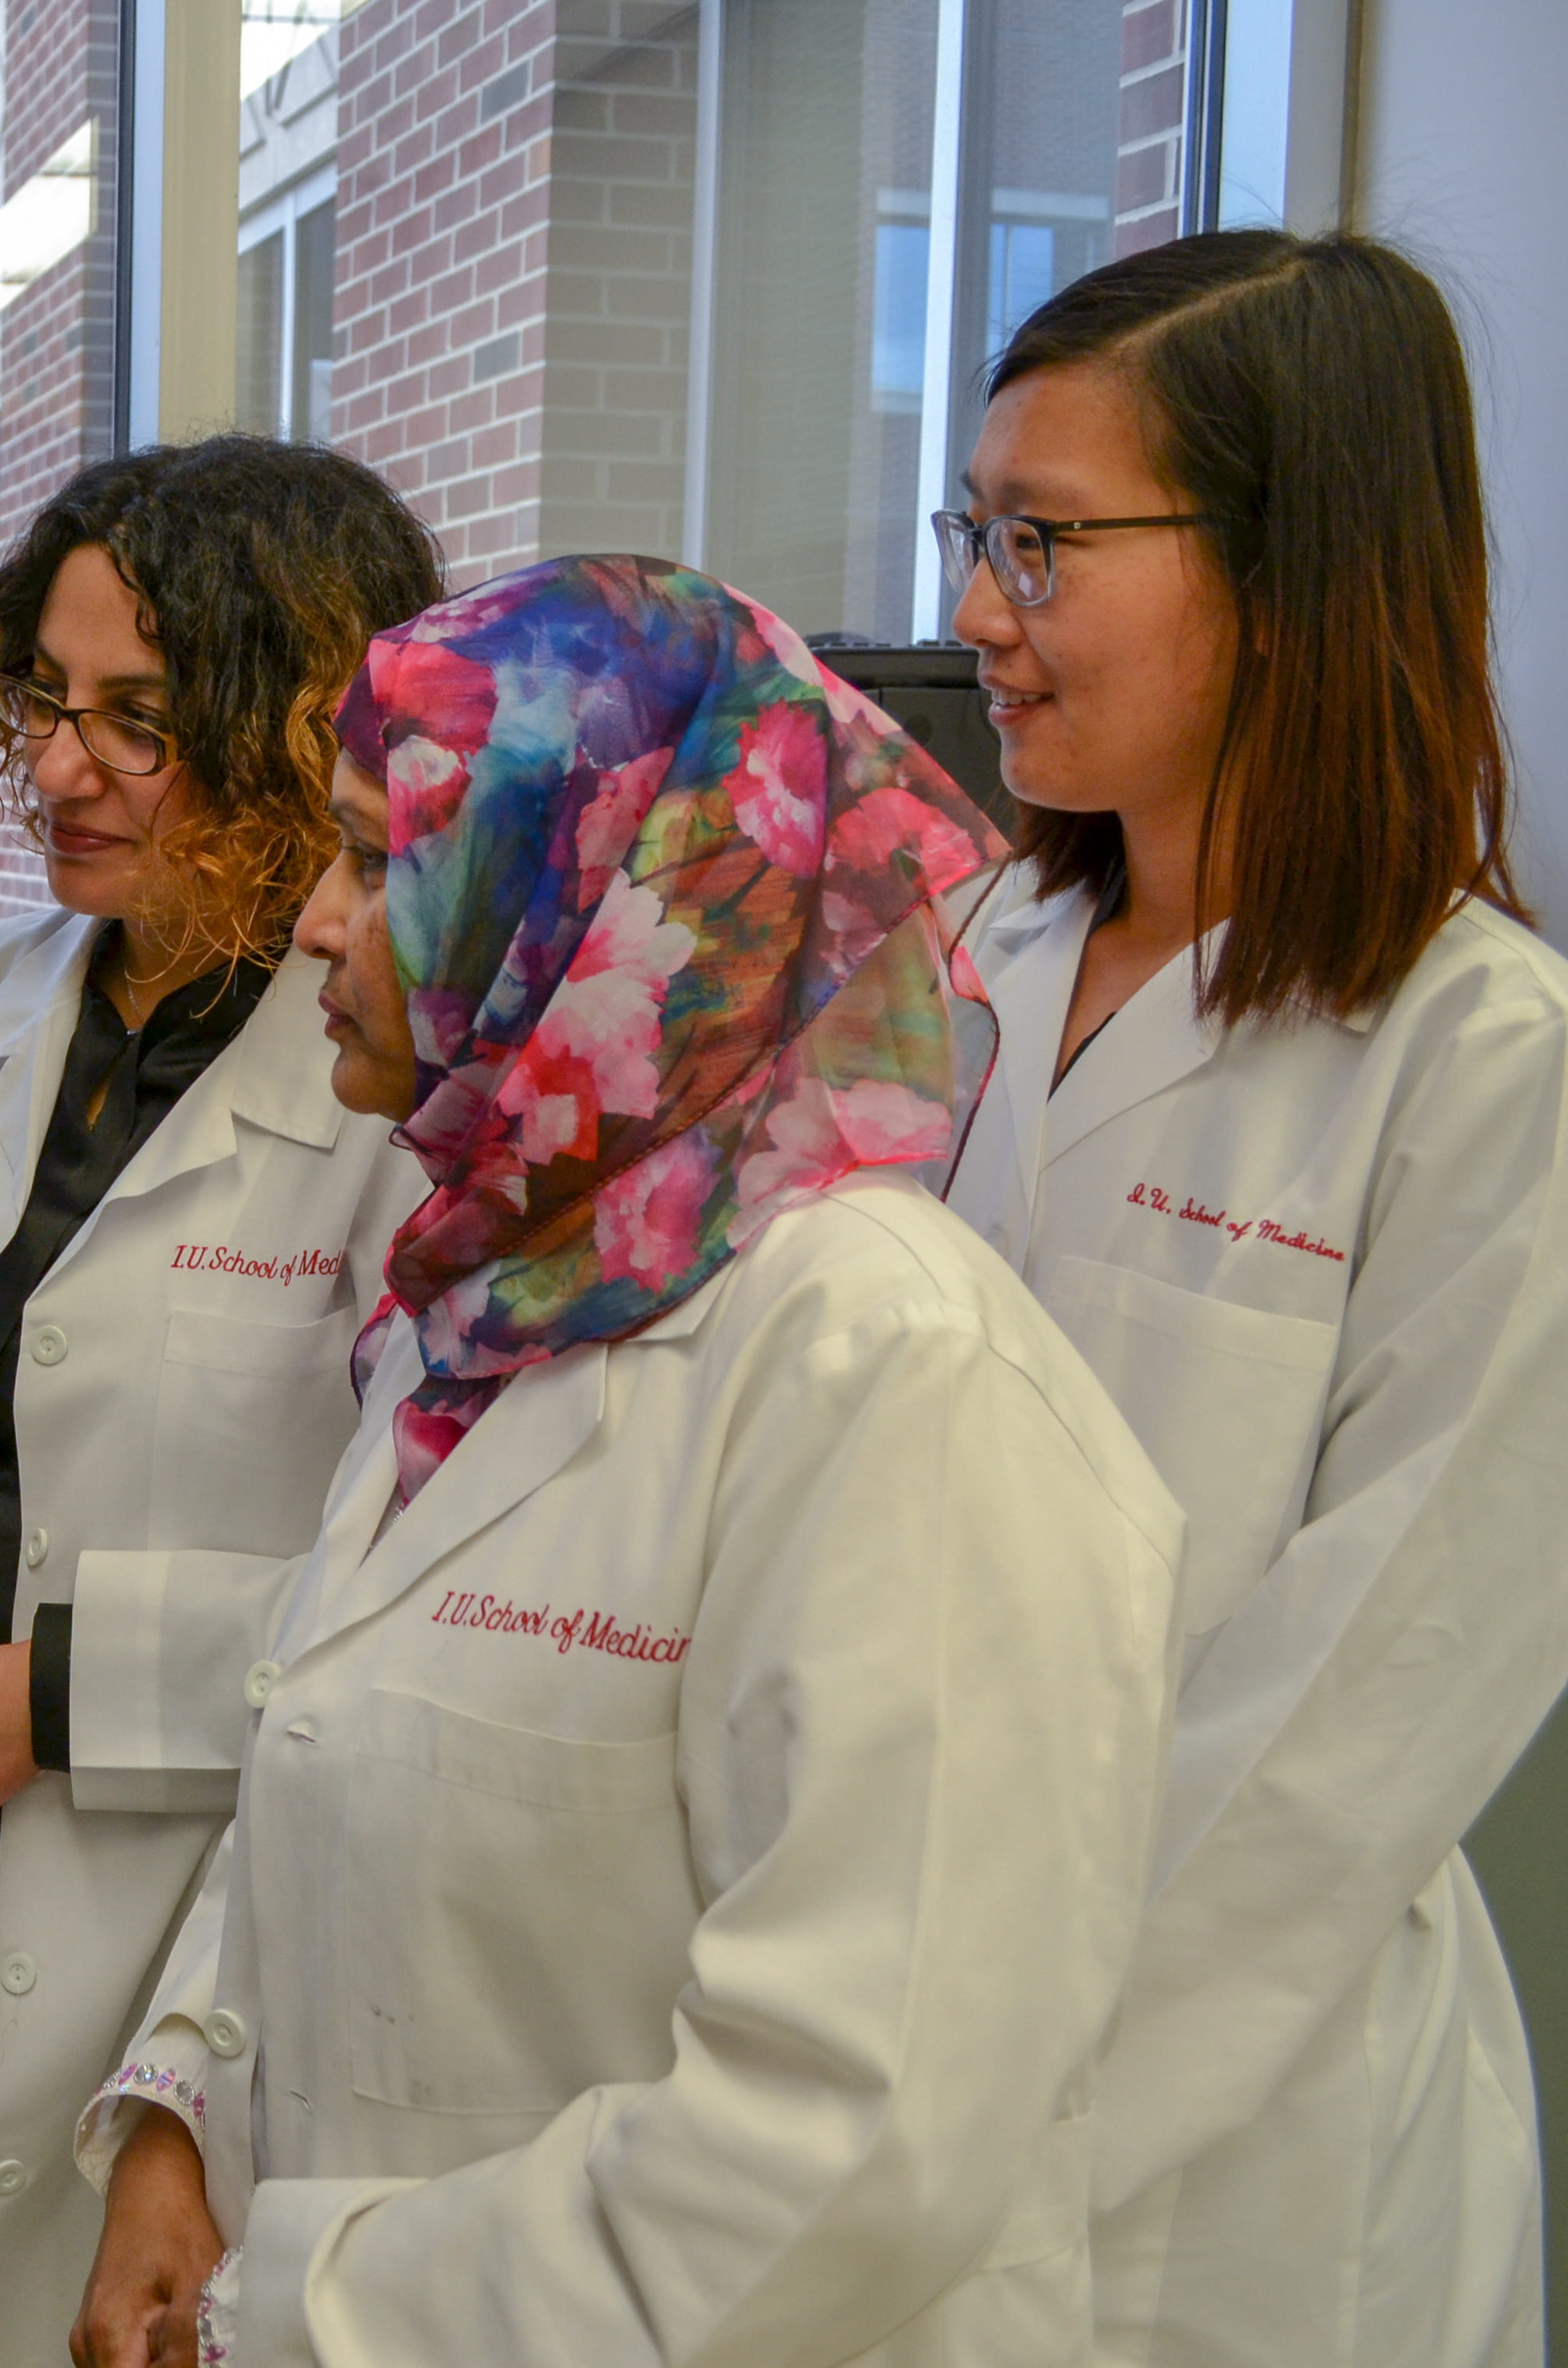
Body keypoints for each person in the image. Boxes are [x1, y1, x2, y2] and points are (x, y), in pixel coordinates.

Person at [67, 556, 1186, 2368]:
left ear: (582, 899)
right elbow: (332, 1754)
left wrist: (305, 2306)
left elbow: (852, 2138)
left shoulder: (883, 1376)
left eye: (380, 860)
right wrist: (183, 2111)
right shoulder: (495, 1304)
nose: (315, 926)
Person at [935, 229, 1568, 2368]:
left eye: (1038, 544)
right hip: (876, 2016)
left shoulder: (1481, 1057)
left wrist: (966, 2092)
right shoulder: (971, 981)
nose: (970, 618)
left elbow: (1359, 1710)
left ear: (1287, 559)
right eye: (970, 530)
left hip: (1236, 2152)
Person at [0, 439, 441, 2368]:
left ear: (302, 732)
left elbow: (432, 1588)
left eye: (141, 723)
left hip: (185, 1913)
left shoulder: (398, 1101)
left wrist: (62, 1691)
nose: (60, 771)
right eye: (47, 707)